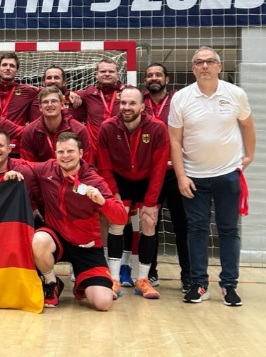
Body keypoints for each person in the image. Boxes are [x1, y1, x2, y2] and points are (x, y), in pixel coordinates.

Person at [169, 46, 256, 306]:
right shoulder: (181, 98)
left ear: (219, 66)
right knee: (196, 230)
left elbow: (248, 126)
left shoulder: (236, 94)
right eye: (198, 62)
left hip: (227, 175)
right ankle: (199, 284)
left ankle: (229, 286)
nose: (204, 66)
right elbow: (174, 140)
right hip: (193, 177)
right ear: (193, 68)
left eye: (209, 62)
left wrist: (249, 156)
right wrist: (181, 176)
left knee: (229, 230)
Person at [29, 133, 128, 310]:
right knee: (38, 240)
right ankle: (52, 283)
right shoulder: (47, 169)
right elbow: (21, 165)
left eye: (70, 151)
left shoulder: (94, 180)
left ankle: (84, 283)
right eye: (61, 151)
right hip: (56, 239)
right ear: (55, 154)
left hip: (87, 247)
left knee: (103, 303)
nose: (65, 155)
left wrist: (103, 202)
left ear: (81, 153)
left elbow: (121, 217)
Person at [97, 87, 170, 300]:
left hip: (148, 179)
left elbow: (159, 168)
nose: (127, 107)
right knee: (117, 221)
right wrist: (114, 194)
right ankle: (114, 278)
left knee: (148, 221)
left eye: (132, 103)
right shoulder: (107, 127)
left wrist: (150, 202)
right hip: (120, 179)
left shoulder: (157, 128)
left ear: (142, 106)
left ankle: (143, 280)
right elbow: (104, 164)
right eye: (124, 103)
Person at [141, 62, 190, 293]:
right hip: (151, 174)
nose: (154, 78)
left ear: (167, 80)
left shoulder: (180, 100)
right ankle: (149, 273)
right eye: (149, 75)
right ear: (145, 80)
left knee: (182, 226)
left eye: (158, 74)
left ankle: (188, 275)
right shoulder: (139, 103)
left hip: (177, 172)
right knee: (150, 223)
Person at [21, 86, 93, 165]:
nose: (50, 105)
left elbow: (87, 164)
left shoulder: (79, 130)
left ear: (62, 105)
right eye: (45, 102)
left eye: (54, 101)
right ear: (40, 107)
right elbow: (27, 166)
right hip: (42, 175)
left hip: (72, 176)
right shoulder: (29, 131)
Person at [77, 57, 124, 155]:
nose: (107, 74)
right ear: (96, 75)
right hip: (95, 153)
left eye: (111, 71)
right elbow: (59, 95)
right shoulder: (88, 93)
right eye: (103, 71)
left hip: (120, 151)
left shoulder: (128, 92)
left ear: (118, 74)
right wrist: (69, 94)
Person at [0, 53, 37, 126]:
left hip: (14, 135)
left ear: (17, 71)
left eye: (12, 66)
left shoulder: (27, 91)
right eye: (4, 65)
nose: (8, 68)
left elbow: (48, 92)